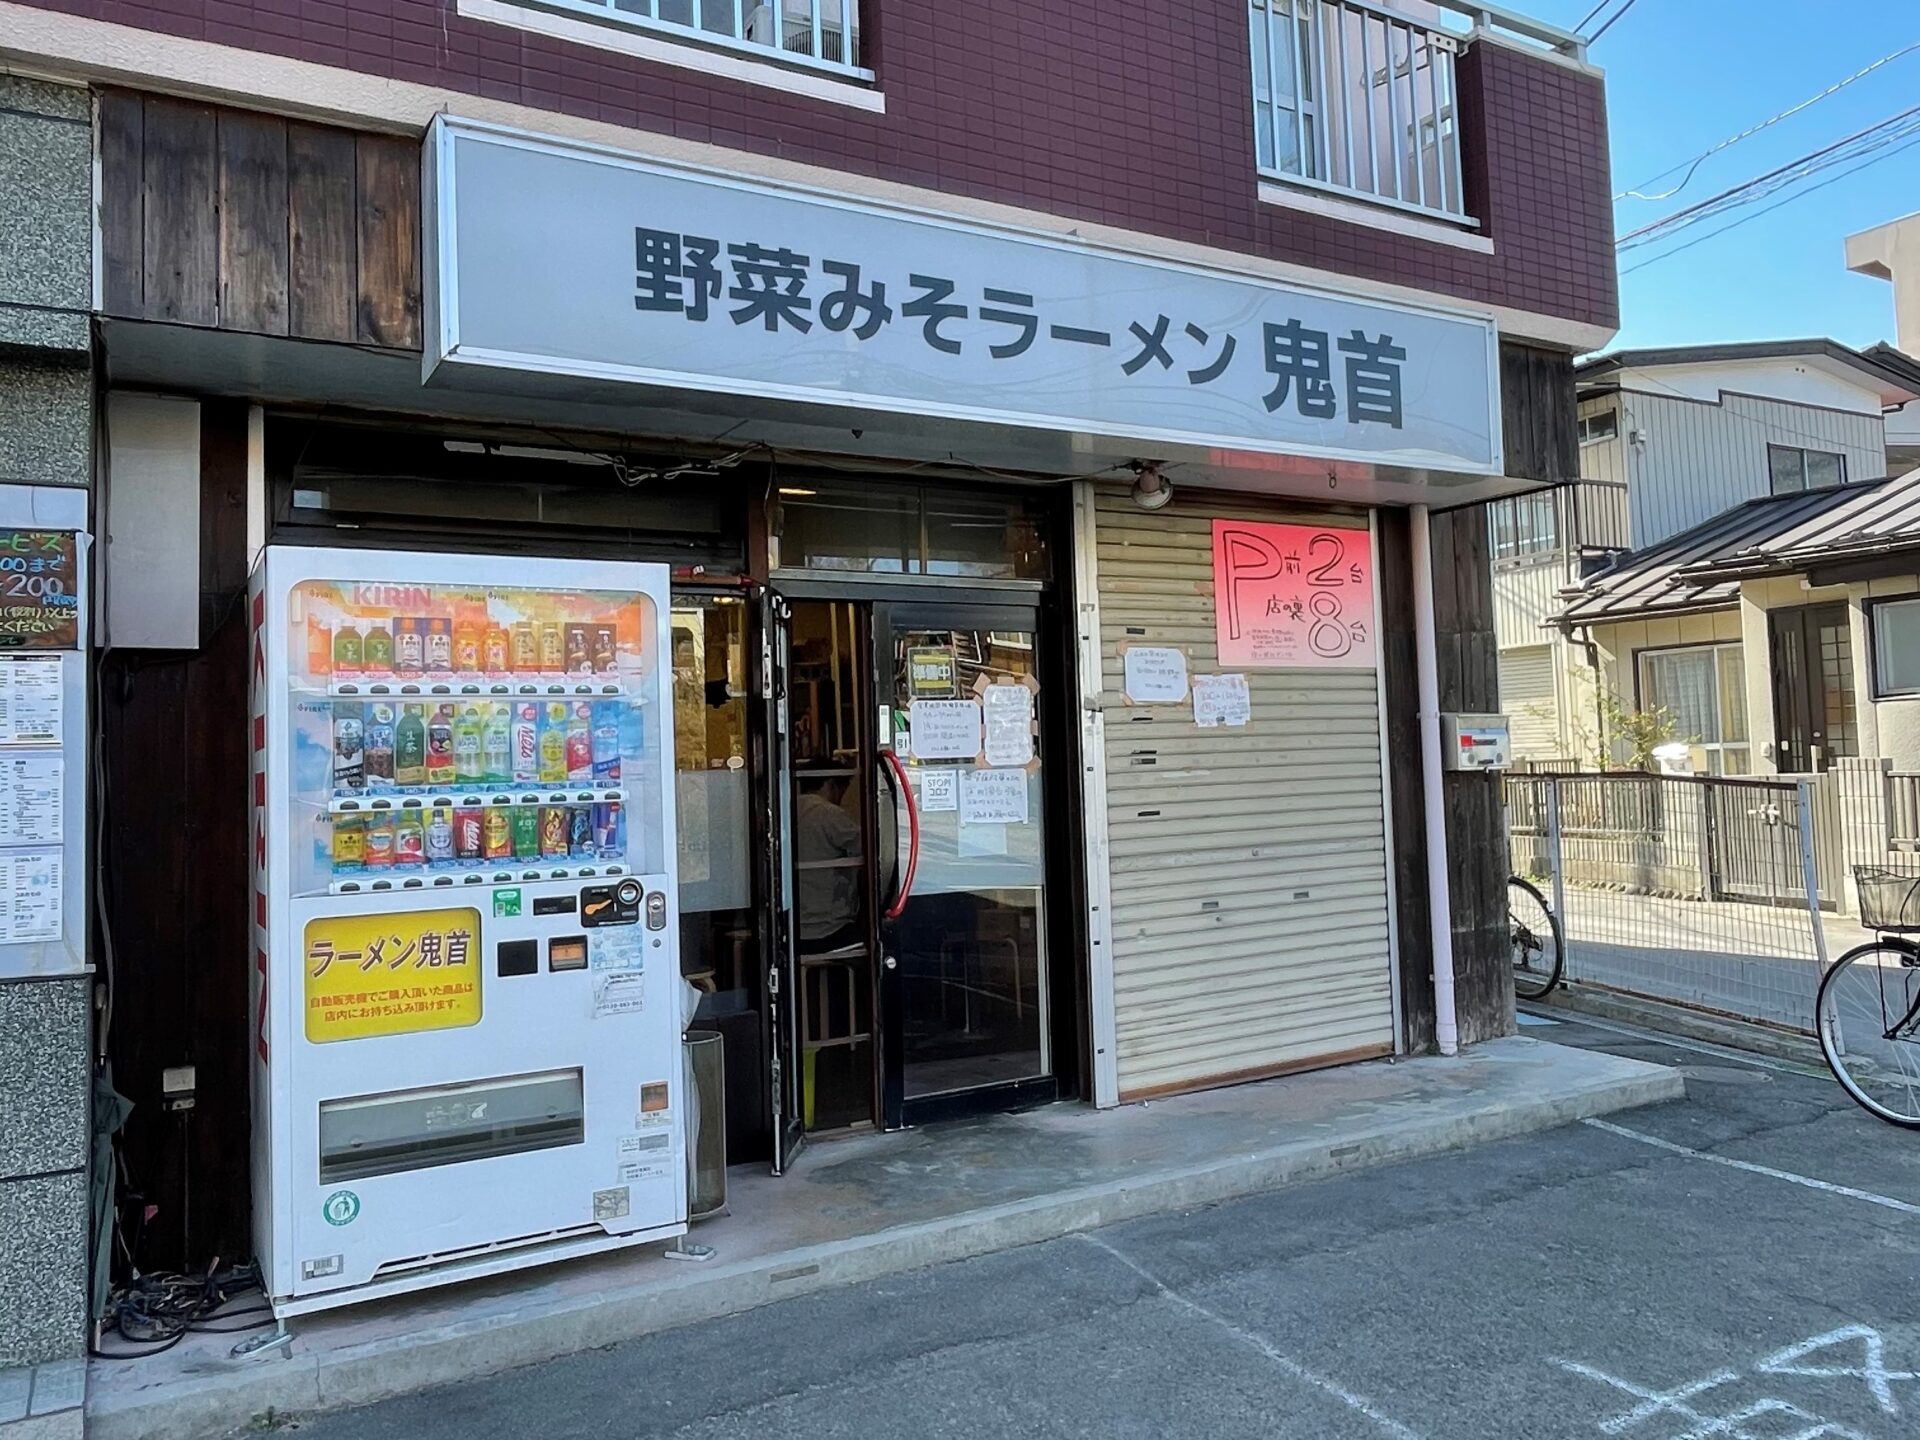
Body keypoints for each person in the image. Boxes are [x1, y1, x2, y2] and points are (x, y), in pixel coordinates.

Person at [795, 772, 863, 952]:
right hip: (829, 928)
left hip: (793, 928)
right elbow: (869, 847)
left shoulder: (785, 808)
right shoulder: (829, 814)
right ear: (830, 784)